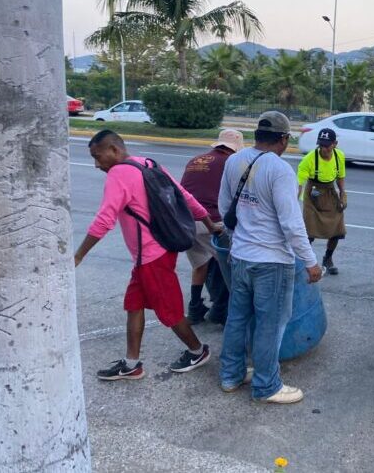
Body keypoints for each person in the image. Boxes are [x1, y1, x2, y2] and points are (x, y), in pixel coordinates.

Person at [74, 130, 220, 380]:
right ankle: (132, 364)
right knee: (134, 304)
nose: (96, 165)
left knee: (170, 311)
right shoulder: (149, 164)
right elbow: (184, 196)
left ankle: (198, 351)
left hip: (152, 257)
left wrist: (78, 256)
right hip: (159, 251)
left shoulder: (119, 173)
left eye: (98, 157)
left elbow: (104, 220)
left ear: (114, 150)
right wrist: (209, 224)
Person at [218, 111, 322, 402]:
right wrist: (311, 262)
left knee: (237, 318)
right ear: (284, 139)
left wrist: (239, 239)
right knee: (270, 324)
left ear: (257, 135)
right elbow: (292, 224)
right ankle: (266, 386)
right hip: (272, 262)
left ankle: (231, 375)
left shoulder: (234, 161)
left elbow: (225, 207)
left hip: (241, 256)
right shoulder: (280, 170)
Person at [180, 128, 245, 324]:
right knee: (231, 266)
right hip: (210, 221)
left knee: (200, 265)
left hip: (185, 221)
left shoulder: (196, 160)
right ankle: (221, 310)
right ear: (236, 148)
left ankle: (195, 309)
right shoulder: (231, 163)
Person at [296, 128, 347, 275]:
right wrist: (294, 202)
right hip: (312, 195)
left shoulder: (339, 156)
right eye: (321, 145)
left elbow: (340, 177)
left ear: (335, 144)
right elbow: (299, 183)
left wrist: (342, 194)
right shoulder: (309, 159)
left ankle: (328, 259)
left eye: (327, 145)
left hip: (330, 192)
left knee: (337, 231)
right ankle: (304, 262)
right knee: (308, 233)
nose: (323, 149)